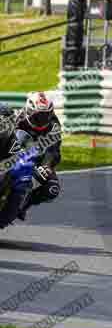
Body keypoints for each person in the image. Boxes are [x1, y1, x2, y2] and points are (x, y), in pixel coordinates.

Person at [0, 92, 62, 228]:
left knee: (52, 189)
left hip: (40, 159)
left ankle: (22, 206)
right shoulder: (18, 118)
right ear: (28, 111)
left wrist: (46, 166)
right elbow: (6, 136)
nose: (42, 120)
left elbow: (54, 152)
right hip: (16, 152)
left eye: (45, 116)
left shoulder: (54, 127)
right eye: (37, 116)